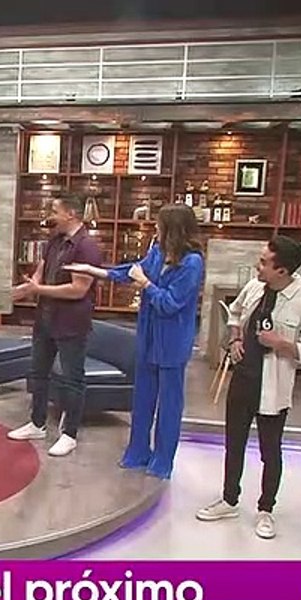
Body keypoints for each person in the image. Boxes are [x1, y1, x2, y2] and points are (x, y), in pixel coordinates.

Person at [196, 236, 301, 539]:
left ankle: (266, 509)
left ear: (283, 270)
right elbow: (235, 313)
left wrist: (282, 344)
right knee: (234, 444)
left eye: (264, 262)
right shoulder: (254, 287)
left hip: (273, 388)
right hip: (243, 379)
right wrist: (235, 339)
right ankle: (229, 500)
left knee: (271, 451)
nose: (258, 266)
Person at [67, 203, 204, 479]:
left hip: (172, 341)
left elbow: (170, 303)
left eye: (160, 225)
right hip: (148, 336)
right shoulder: (157, 252)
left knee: (169, 405)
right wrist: (94, 270)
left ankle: (163, 460)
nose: (155, 229)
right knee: (142, 398)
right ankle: (138, 451)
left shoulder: (192, 262)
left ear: (173, 229)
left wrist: (146, 284)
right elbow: (131, 270)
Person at [8, 194, 101, 457]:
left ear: (71, 214)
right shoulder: (55, 241)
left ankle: (69, 434)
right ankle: (37, 423)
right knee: (38, 373)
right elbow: (41, 270)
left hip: (71, 323)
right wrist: (27, 288)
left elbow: (78, 289)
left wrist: (39, 290)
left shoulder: (86, 247)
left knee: (72, 379)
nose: (50, 216)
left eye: (55, 211)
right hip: (45, 319)